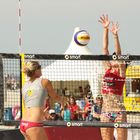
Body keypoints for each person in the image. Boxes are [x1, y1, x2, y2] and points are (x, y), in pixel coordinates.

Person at [20, 61, 66, 140]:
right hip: (33, 124)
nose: (41, 69)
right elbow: (55, 97)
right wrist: (63, 101)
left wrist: (41, 112)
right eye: (40, 67)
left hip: (23, 123)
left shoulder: (25, 85)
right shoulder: (45, 82)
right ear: (36, 70)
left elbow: (27, 105)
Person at [99, 14, 127, 140]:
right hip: (105, 111)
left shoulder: (121, 72)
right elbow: (104, 49)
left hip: (119, 111)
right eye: (113, 57)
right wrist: (106, 29)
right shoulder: (107, 69)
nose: (114, 58)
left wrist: (115, 36)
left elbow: (119, 54)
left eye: (116, 57)